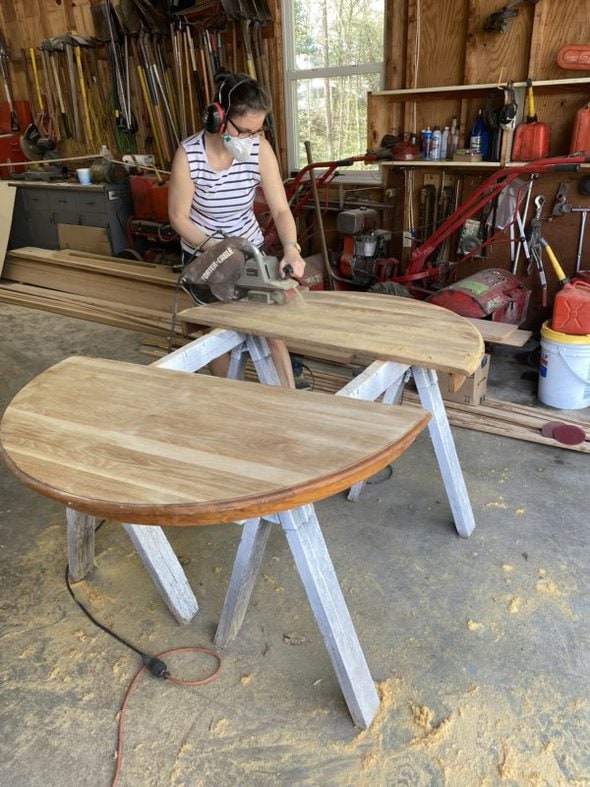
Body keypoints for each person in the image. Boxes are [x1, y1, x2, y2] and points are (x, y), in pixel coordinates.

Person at [168, 71, 306, 387]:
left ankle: (290, 399)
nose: (249, 139)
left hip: (249, 249)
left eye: (256, 132)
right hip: (205, 252)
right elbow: (178, 217)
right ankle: (234, 394)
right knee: (217, 330)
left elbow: (281, 209)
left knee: (269, 327)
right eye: (243, 130)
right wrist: (216, 247)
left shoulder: (259, 149)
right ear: (218, 118)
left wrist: (290, 248)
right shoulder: (189, 155)